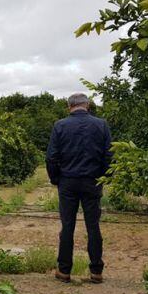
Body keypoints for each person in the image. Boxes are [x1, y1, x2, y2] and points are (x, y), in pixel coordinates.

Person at [46, 93, 112, 284]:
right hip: (92, 181)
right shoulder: (101, 125)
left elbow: (51, 157)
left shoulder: (60, 125)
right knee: (93, 226)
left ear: (69, 107)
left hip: (68, 181)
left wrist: (56, 178)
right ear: (87, 105)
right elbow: (109, 155)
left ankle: (64, 270)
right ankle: (96, 271)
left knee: (67, 226)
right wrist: (103, 177)